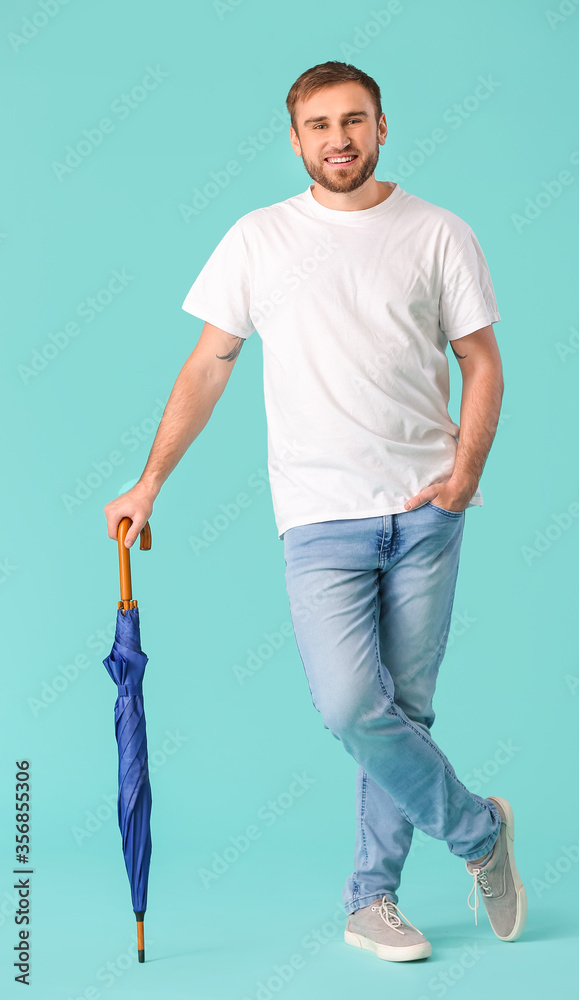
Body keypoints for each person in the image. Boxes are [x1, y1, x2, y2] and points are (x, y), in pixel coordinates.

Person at [104, 60, 526, 963]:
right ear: (294, 139)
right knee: (350, 707)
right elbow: (208, 365)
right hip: (320, 517)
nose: (339, 138)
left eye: (355, 120)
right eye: (320, 124)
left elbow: (482, 363)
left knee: (404, 711)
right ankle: (479, 832)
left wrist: (461, 476)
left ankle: (371, 901)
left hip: (424, 511)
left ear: (382, 128)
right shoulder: (257, 239)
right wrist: (150, 485)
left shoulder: (438, 231)